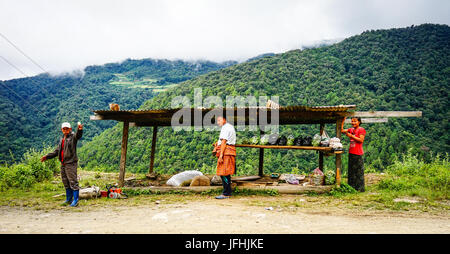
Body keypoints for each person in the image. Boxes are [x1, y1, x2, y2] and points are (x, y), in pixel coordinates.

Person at [41, 122, 83, 206]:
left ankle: (75, 200)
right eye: (64, 129)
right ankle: (68, 199)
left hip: (71, 163)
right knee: (65, 182)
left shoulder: (73, 137)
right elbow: (57, 151)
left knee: (73, 181)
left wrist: (80, 130)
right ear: (61, 130)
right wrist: (47, 156)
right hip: (63, 163)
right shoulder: (62, 139)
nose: (65, 130)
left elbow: (78, 136)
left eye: (67, 128)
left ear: (70, 129)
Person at [212, 115, 236, 199]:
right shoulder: (229, 127)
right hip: (229, 151)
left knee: (224, 172)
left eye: (219, 120)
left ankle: (226, 193)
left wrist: (221, 155)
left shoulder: (225, 128)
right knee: (225, 172)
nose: (218, 122)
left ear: (224, 119)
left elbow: (224, 142)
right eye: (217, 120)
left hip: (226, 152)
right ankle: (227, 192)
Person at [341, 117, 366, 192]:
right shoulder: (351, 129)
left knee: (358, 171)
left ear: (359, 122)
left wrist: (351, 136)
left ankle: (360, 188)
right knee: (351, 171)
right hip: (351, 152)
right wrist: (342, 120)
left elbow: (361, 140)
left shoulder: (361, 129)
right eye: (352, 121)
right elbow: (342, 130)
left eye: (355, 121)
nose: (353, 123)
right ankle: (352, 187)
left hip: (358, 153)